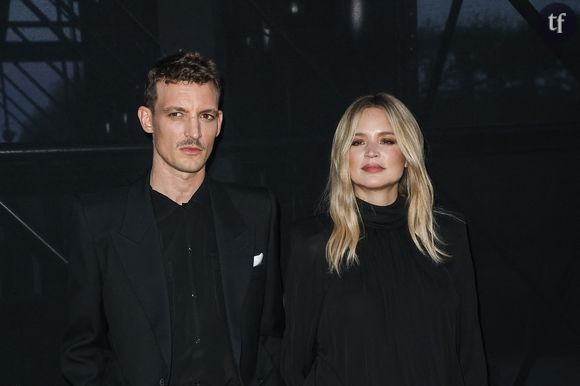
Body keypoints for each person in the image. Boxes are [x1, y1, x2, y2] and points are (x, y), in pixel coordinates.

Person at [61, 51, 284, 386]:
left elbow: (271, 334)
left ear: (219, 123)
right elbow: (82, 351)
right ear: (147, 119)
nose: (193, 132)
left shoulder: (257, 211)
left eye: (205, 116)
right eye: (177, 114)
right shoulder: (99, 220)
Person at [281, 93, 488, 386]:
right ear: (343, 156)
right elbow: (294, 362)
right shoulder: (314, 241)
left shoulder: (446, 234)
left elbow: (469, 351)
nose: (371, 152)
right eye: (358, 141)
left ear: (407, 155)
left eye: (387, 140)